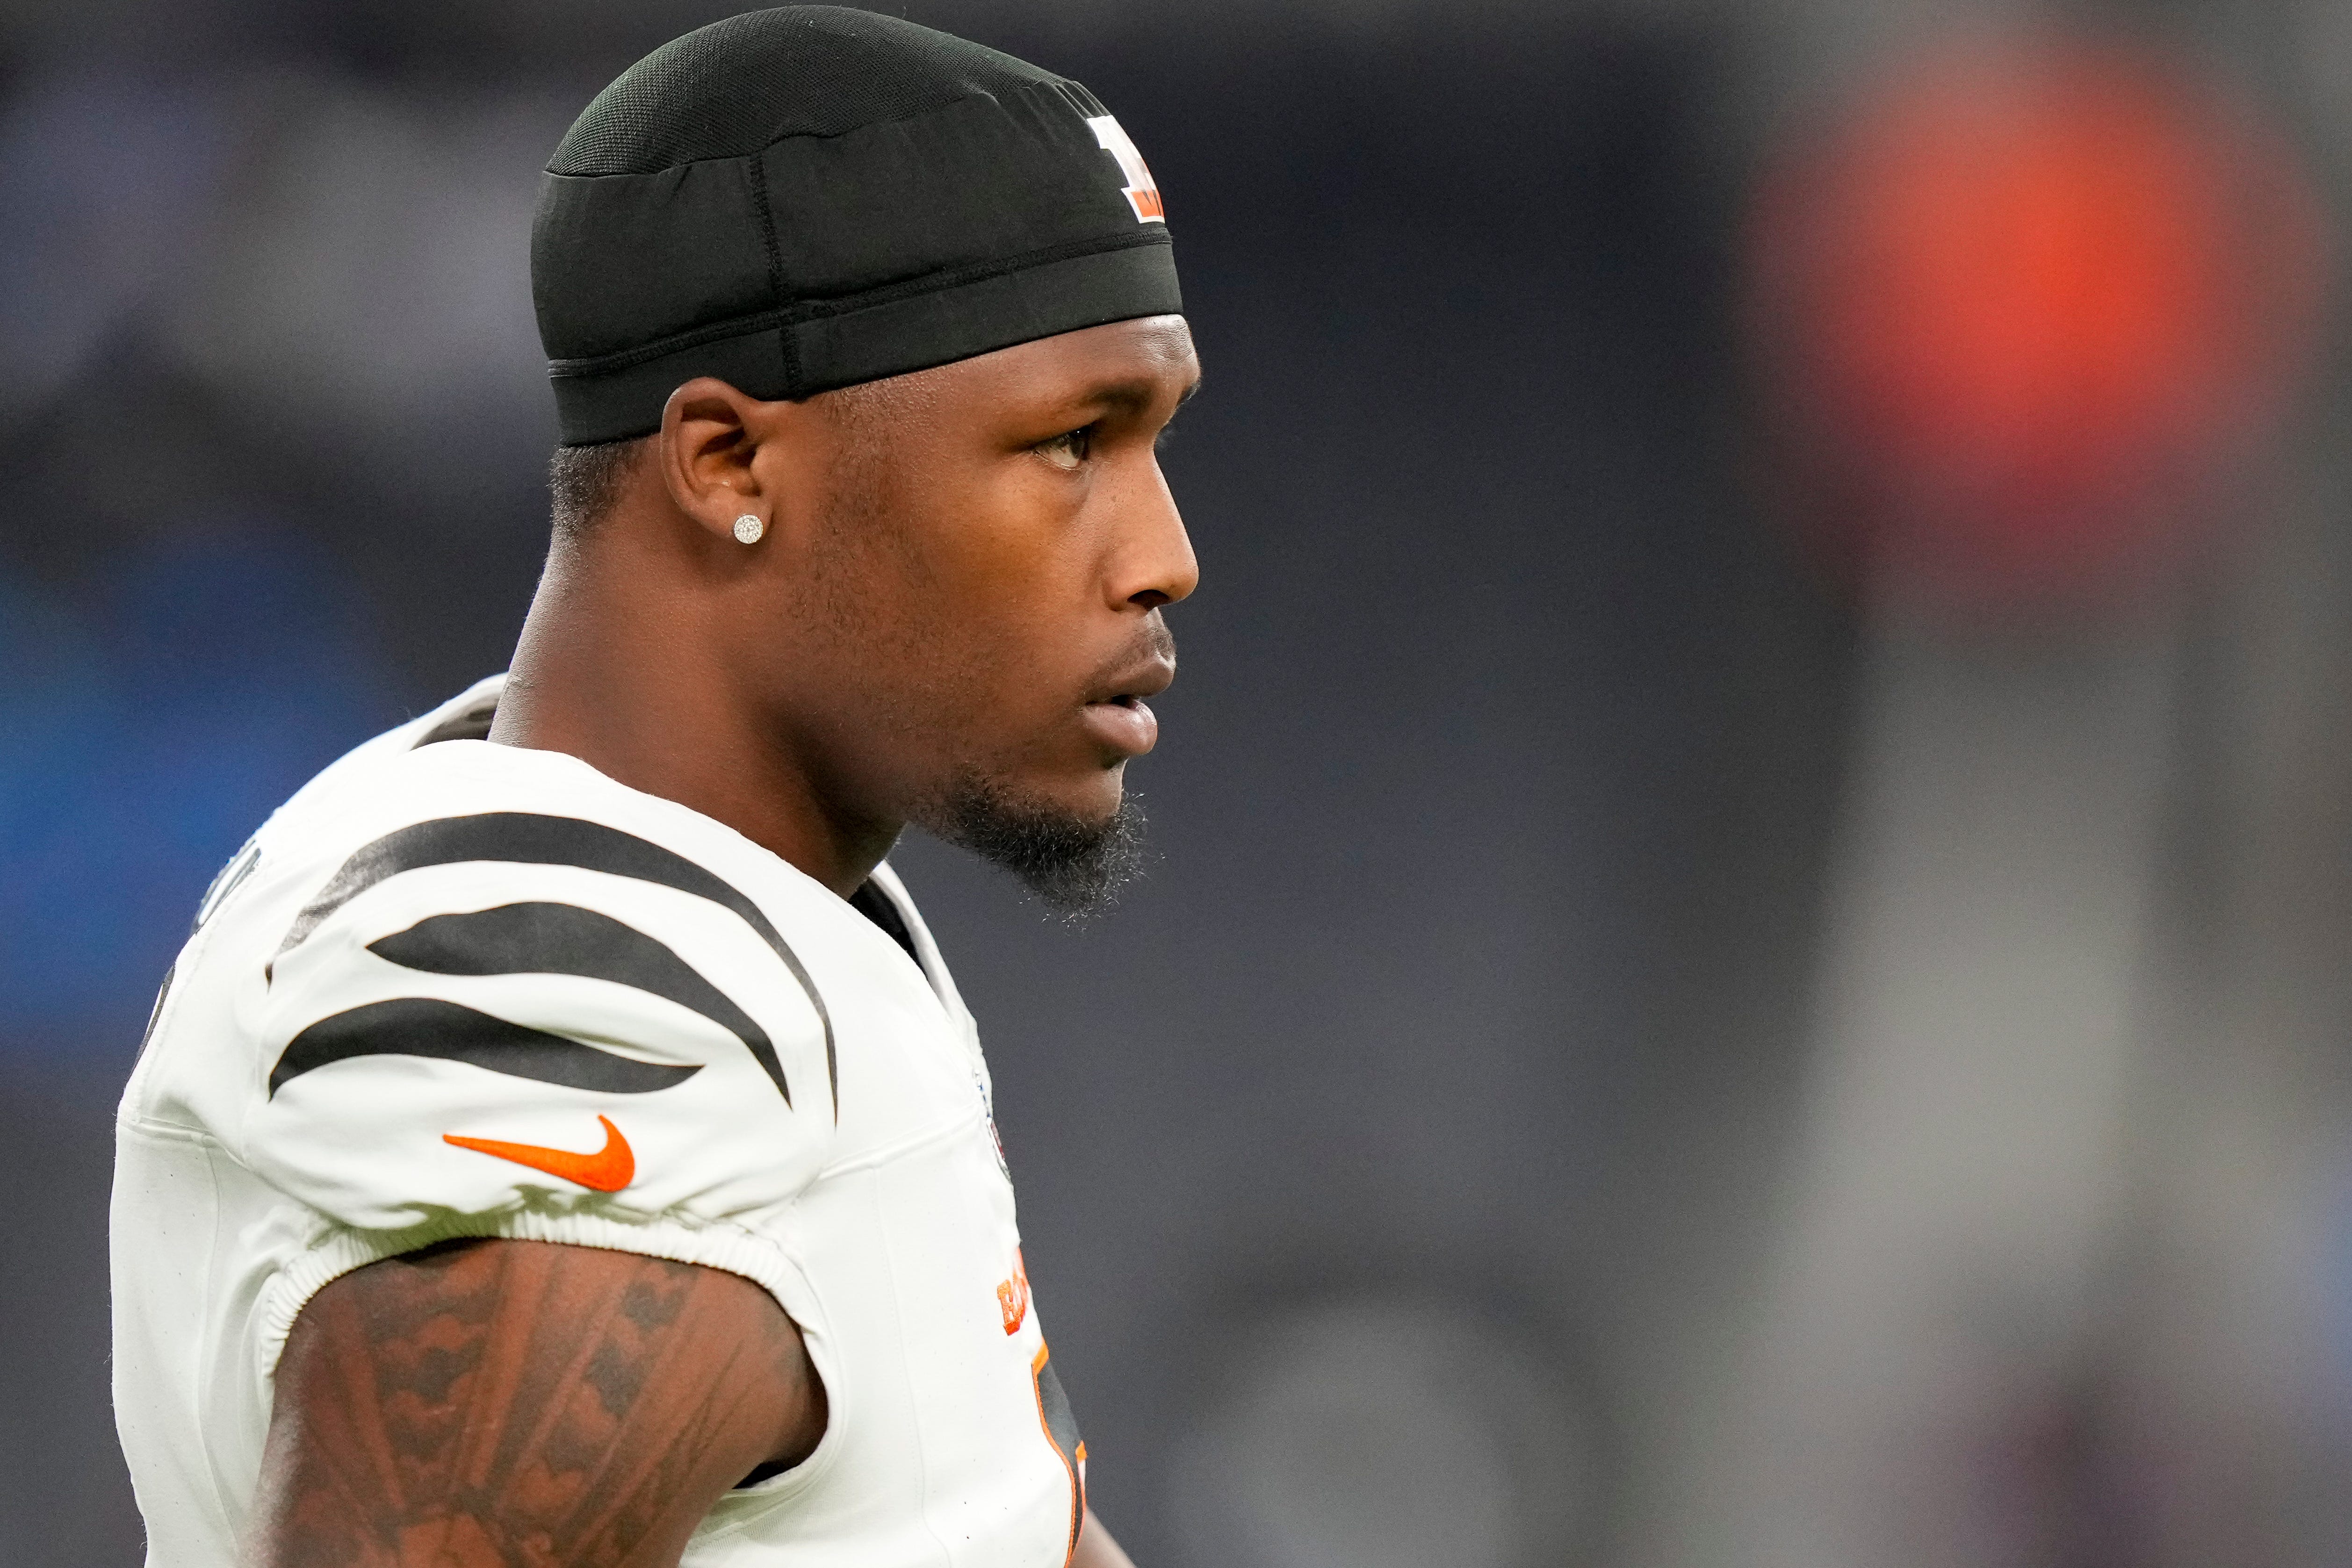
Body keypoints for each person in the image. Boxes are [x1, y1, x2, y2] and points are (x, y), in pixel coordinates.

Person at [109, 9, 1198, 1566]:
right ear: (731, 465)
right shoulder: (586, 1034)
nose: (1166, 554)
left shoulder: (741, 898)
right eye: (1071, 442)